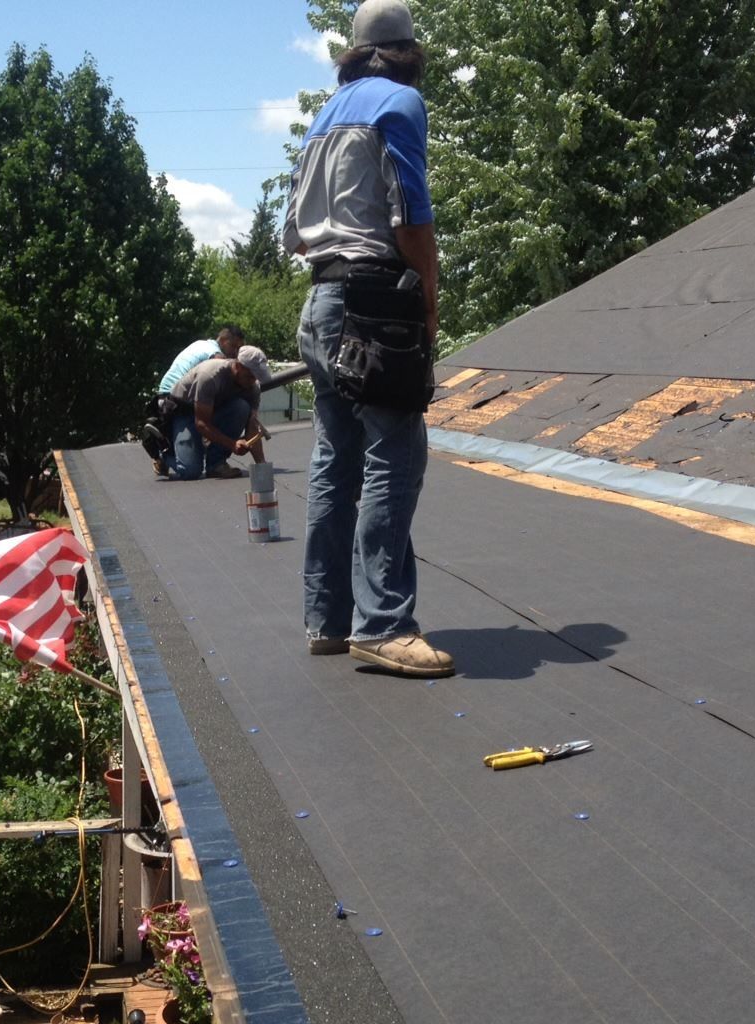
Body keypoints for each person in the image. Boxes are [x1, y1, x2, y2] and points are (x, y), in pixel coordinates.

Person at [281, 0, 452, 679]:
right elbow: (412, 220)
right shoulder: (400, 105)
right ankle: (383, 625)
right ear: (409, 50)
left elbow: (291, 231)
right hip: (375, 304)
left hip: (320, 300)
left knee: (336, 460)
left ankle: (327, 620)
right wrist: (429, 304)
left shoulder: (325, 115)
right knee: (395, 457)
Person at [142, 326, 246, 469]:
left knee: (237, 406)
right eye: (233, 346)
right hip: (176, 403)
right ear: (222, 340)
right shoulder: (216, 355)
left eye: (239, 349)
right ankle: (164, 454)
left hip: (177, 398)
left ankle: (213, 461)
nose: (235, 353)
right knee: (190, 470)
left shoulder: (201, 343)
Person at [163, 346, 273, 481]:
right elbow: (201, 423)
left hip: (212, 411)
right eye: (249, 376)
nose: (251, 381)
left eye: (255, 377)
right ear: (238, 366)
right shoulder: (210, 376)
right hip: (185, 412)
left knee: (241, 407)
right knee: (190, 472)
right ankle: (163, 453)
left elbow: (252, 426)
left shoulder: (252, 388)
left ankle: (216, 464)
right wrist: (232, 444)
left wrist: (261, 464)